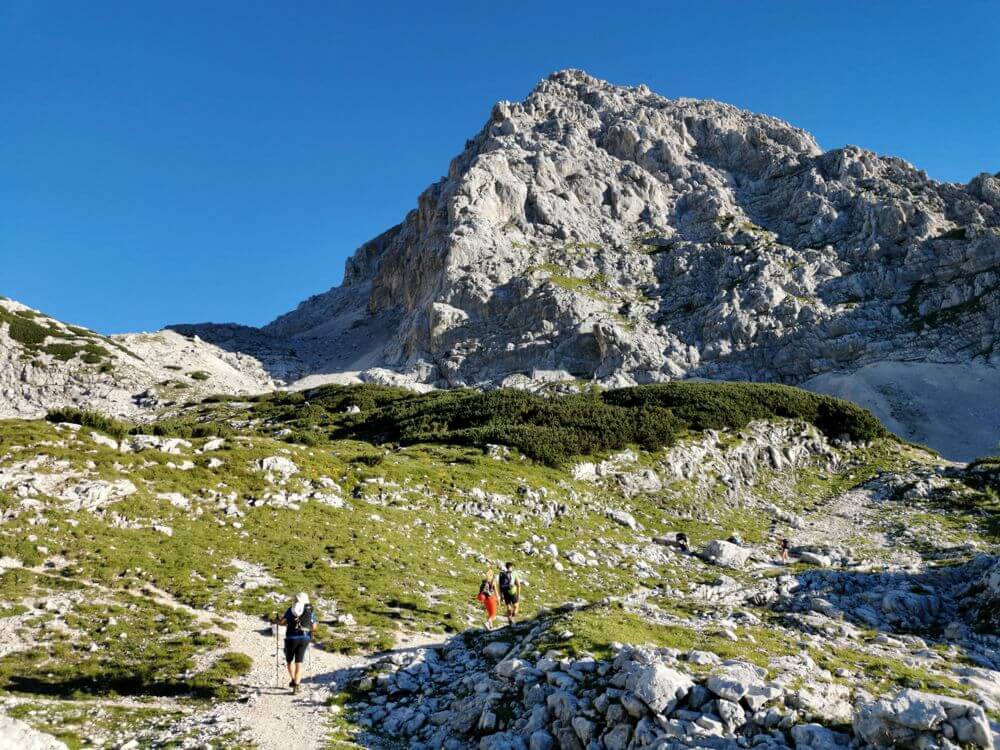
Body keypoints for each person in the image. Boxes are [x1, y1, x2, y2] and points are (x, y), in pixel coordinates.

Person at [276, 592, 315, 693]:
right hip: (305, 638)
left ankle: (293, 680)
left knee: (289, 661)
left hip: (291, 638)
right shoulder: (310, 611)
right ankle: (296, 686)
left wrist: (277, 621)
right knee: (299, 662)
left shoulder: (291, 609)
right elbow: (314, 626)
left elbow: (282, 622)